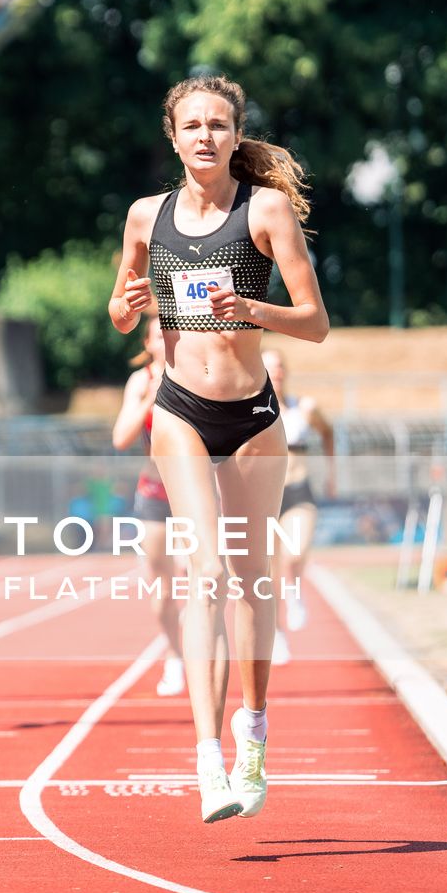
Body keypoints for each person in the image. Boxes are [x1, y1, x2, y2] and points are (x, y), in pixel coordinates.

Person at [107, 73, 329, 825]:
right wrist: (124, 304)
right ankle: (207, 758)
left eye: (219, 124)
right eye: (192, 125)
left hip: (254, 417)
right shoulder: (146, 216)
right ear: (172, 136)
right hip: (180, 410)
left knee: (249, 580)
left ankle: (253, 728)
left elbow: (315, 322)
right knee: (203, 571)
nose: (205, 135)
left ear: (237, 135)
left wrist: (251, 306)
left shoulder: (263, 212)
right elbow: (117, 306)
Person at [110, 316, 185, 697]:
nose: (166, 337)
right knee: (163, 588)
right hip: (155, 493)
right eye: (158, 334)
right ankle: (175, 655)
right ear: (148, 342)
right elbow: (121, 437)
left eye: (172, 329)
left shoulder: (195, 374)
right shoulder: (140, 382)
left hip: (195, 491)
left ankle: (207, 651)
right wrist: (149, 398)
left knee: (205, 577)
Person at [264, 349, 334, 662]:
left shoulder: (304, 408)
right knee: (269, 572)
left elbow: (328, 432)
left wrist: (333, 473)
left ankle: (296, 593)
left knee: (295, 554)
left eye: (279, 367)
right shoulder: (250, 410)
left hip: (298, 489)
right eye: (269, 368)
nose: (275, 373)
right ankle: (277, 635)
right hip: (265, 495)